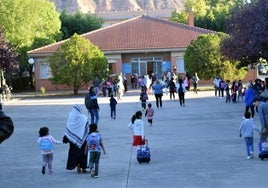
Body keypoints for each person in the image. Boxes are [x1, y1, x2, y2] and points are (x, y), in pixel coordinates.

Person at [63, 104, 89, 173]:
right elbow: (87, 128)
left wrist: (66, 138)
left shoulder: (70, 117)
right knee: (83, 153)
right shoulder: (83, 118)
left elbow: (68, 129)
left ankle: (77, 164)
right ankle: (83, 167)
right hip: (82, 140)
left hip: (72, 141)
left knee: (74, 153)